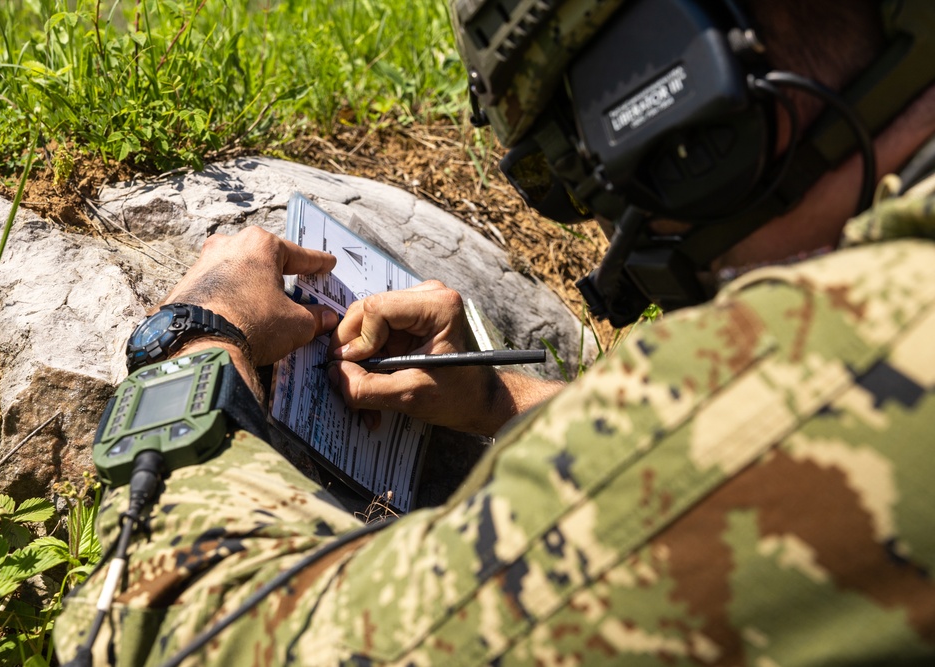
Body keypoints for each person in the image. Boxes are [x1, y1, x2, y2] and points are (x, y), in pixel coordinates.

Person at [56, 0, 935, 664]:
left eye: (589, 173)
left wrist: (195, 339)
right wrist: (508, 399)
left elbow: (168, 631)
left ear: (681, 120)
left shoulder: (816, 385)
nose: (619, 229)